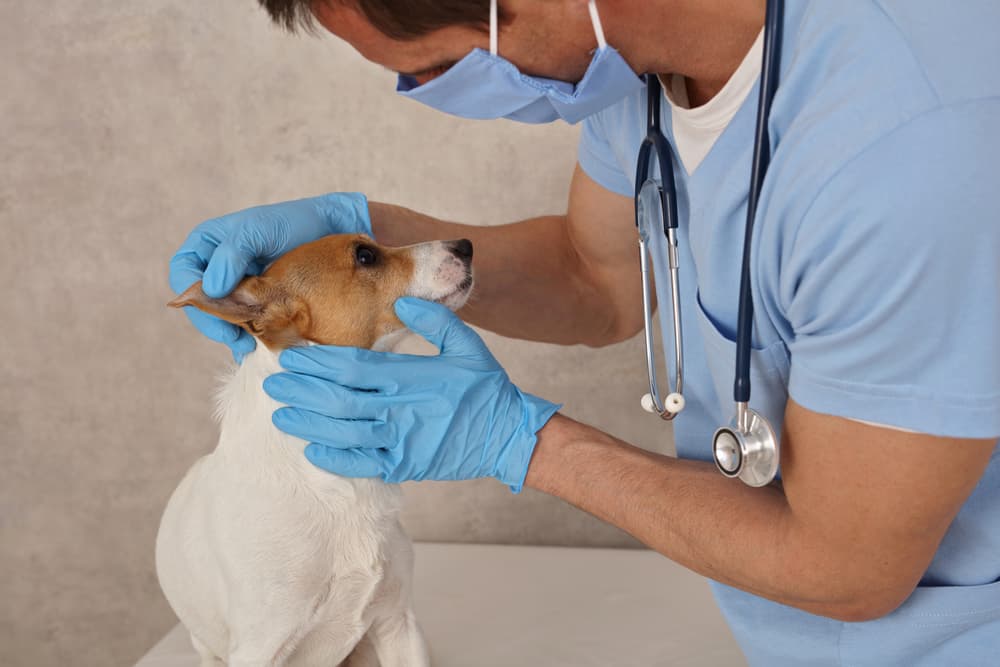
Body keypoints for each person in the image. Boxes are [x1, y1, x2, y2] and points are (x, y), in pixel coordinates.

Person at [168, 1, 1000, 663]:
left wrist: (523, 440)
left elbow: (849, 568)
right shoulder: (641, 72)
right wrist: (363, 229)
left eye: (433, 70)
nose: (431, 92)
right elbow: (593, 274)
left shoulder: (911, 144)